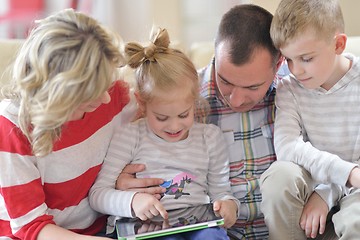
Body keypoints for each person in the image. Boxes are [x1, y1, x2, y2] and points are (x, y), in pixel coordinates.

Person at [116, 4, 286, 239]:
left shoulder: (293, 95)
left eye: (252, 87)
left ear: (278, 65)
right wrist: (122, 187)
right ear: (216, 53)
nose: (236, 100)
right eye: (226, 81)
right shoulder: (179, 99)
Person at [89, 27, 240, 240]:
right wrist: (132, 202)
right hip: (146, 229)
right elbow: (98, 195)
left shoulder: (210, 137)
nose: (174, 126)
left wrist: (229, 207)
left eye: (183, 114)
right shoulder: (131, 136)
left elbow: (221, 192)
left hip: (198, 224)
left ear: (194, 101)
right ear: (142, 102)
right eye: (161, 118)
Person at [0, 9, 136, 240]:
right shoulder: (12, 126)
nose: (105, 98)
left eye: (105, 84)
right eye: (90, 92)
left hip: (105, 228)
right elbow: (31, 227)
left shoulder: (114, 96)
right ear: (57, 92)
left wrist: (122, 176)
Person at [259, 0, 360, 239]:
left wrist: (328, 193)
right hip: (316, 183)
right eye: (289, 60)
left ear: (338, 44)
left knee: (355, 220)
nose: (296, 70)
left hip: (356, 187)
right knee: (278, 178)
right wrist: (340, 177)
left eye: (306, 58)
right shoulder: (289, 89)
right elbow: (287, 148)